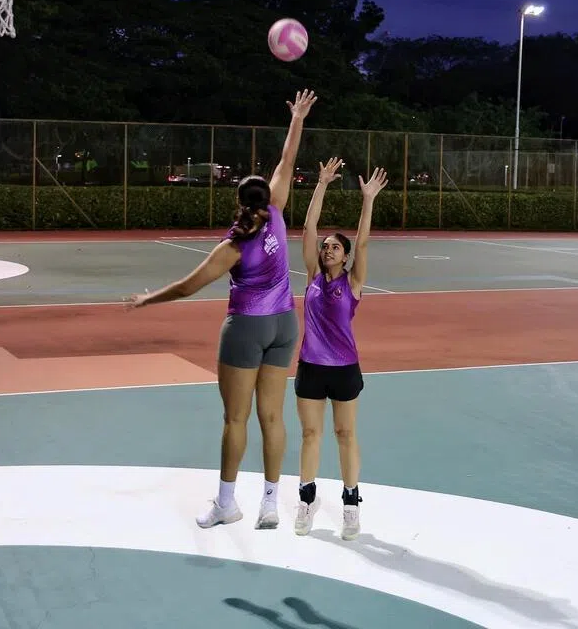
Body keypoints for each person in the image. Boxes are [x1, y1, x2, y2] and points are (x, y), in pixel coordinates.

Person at [125, 89, 318, 529]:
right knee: (273, 416)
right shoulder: (278, 212)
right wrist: (297, 119)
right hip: (286, 325)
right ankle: (271, 503)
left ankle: (227, 503)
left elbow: (187, 287)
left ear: (238, 202)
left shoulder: (233, 247)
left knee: (235, 419)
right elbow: (288, 160)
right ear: (265, 198)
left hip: (247, 330)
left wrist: (146, 299)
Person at [293, 157, 389, 541]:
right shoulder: (313, 277)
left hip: (345, 368)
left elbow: (363, 240)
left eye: (335, 247)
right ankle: (307, 498)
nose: (328, 248)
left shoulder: (353, 283)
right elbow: (308, 227)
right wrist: (321, 184)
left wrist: (368, 200)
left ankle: (351, 504)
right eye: (326, 246)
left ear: (346, 256)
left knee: (345, 434)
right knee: (310, 435)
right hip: (310, 367)